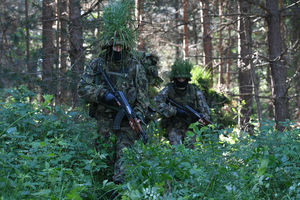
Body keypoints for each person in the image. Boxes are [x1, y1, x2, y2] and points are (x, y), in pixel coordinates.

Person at [77, 0, 149, 184]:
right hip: (103, 122)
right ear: (109, 46)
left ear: (126, 46)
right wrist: (103, 95)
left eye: (120, 46)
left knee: (123, 164)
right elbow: (82, 88)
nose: (117, 49)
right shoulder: (97, 64)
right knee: (104, 162)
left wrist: (138, 115)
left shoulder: (135, 66)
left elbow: (142, 97)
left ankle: (120, 192)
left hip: (126, 122)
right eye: (114, 46)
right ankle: (101, 192)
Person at [154, 59, 210, 146]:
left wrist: (202, 119)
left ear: (187, 78)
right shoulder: (168, 89)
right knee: (177, 151)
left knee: (192, 152)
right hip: (174, 126)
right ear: (174, 78)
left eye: (183, 78)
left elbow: (204, 108)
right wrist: (174, 111)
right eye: (179, 78)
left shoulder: (194, 90)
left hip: (191, 127)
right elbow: (156, 102)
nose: (181, 80)